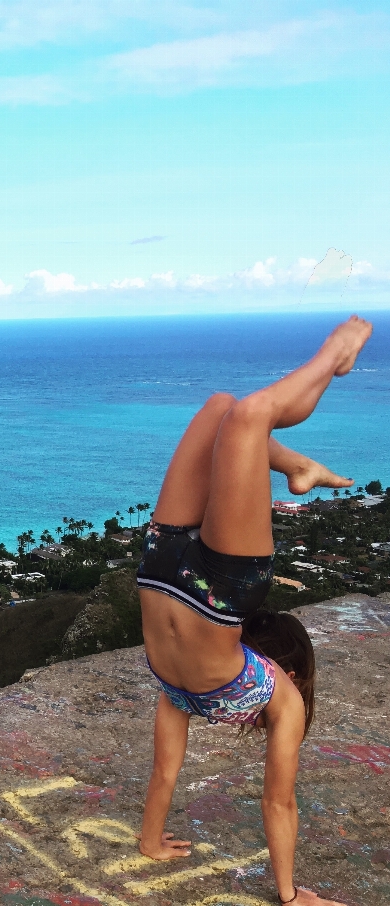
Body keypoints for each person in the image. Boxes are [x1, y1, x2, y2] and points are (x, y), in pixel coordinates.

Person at [135, 315, 372, 906]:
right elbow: (277, 800)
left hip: (168, 565)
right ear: (286, 671)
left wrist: (149, 842)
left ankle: (327, 370)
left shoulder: (208, 692)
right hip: (210, 584)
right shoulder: (205, 691)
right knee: (233, 413)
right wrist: (289, 898)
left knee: (230, 411)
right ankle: (305, 429)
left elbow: (175, 775)